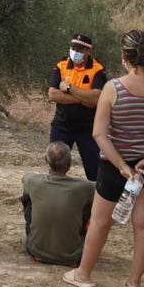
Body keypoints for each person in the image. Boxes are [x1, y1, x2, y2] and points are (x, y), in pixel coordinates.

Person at [63, 29, 144, 287]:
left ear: (124, 57)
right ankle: (134, 283)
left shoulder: (113, 88)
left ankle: (83, 274)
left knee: (100, 222)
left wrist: (121, 166)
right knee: (143, 225)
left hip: (114, 166)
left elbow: (98, 134)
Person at [21, 141, 95, 265]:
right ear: (70, 164)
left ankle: (41, 239)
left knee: (28, 197)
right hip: (73, 256)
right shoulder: (84, 187)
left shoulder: (33, 181)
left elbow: (24, 178)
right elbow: (101, 190)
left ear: (46, 160)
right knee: (92, 204)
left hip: (35, 251)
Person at [47, 33, 107, 181]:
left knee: (94, 169)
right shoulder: (61, 65)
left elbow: (96, 98)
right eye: (73, 47)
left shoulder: (97, 70)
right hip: (62, 125)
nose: (75, 51)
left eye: (80, 49)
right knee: (55, 165)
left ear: (88, 51)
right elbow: (53, 95)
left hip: (87, 128)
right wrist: (83, 98)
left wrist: (69, 88)